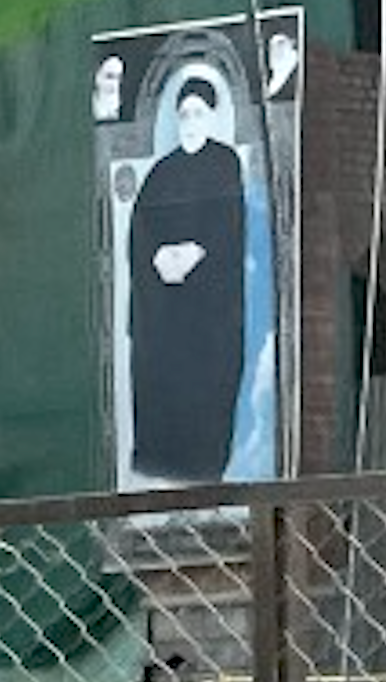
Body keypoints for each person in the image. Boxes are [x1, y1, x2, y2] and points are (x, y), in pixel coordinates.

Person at [126, 74, 247, 482]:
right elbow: (140, 230)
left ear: (212, 116)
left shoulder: (224, 163)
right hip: (165, 310)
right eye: (183, 113)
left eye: (198, 112)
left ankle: (204, 463)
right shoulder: (162, 171)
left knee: (205, 382)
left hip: (208, 310)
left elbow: (228, 225)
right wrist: (160, 256)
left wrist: (196, 252)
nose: (190, 121)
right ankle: (159, 460)